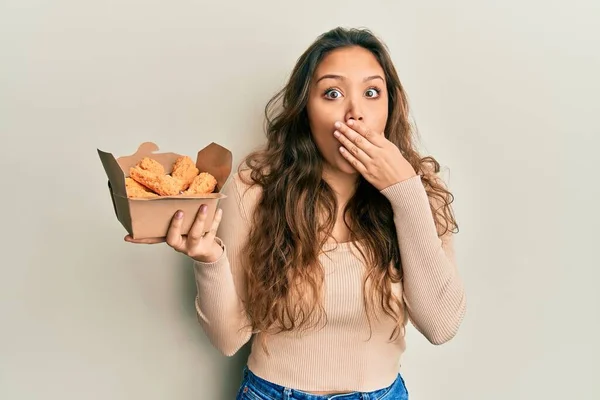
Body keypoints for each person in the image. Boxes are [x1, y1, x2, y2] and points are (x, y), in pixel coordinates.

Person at [126, 27, 466, 400]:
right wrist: (210, 260)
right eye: (332, 93)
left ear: (390, 105)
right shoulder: (255, 189)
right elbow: (227, 340)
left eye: (372, 92)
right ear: (306, 110)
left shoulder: (418, 189)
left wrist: (404, 192)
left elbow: (441, 325)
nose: (355, 114)